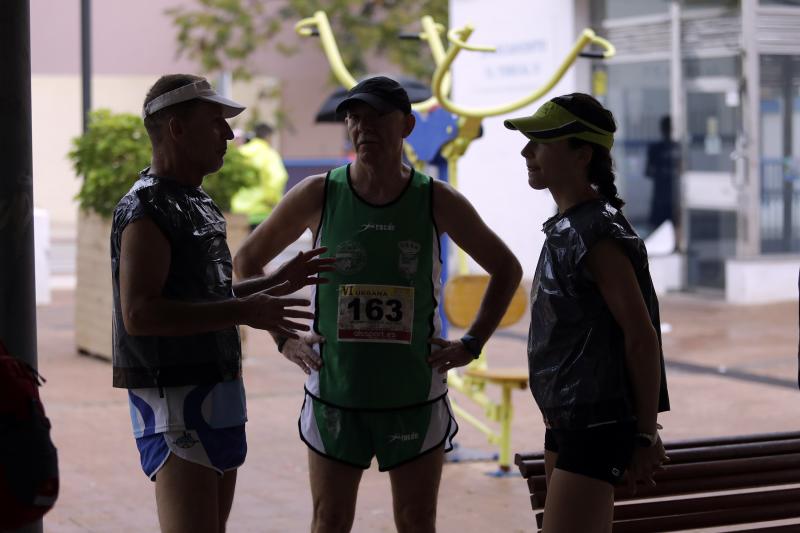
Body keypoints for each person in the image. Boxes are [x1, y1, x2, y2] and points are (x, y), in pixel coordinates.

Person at [234, 76, 522, 533]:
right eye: (354, 117)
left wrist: (472, 344)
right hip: (336, 393)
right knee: (329, 519)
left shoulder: (435, 199)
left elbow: (506, 268)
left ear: (406, 125)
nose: (362, 126)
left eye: (376, 117)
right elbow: (247, 260)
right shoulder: (319, 194)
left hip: (413, 394)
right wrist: (282, 337)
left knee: (415, 520)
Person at [111, 73, 333, 533]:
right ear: (175, 128)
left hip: (219, 393)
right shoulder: (146, 207)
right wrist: (245, 311)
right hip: (175, 399)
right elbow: (140, 314)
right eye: (216, 122)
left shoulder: (197, 201)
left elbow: (205, 298)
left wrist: (271, 285)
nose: (230, 135)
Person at [504, 93, 671, 532]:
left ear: (582, 154)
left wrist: (644, 432)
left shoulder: (596, 232)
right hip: (569, 420)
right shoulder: (571, 225)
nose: (527, 152)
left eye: (540, 143)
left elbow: (640, 335)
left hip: (596, 423)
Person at [230, 122, 290, 227]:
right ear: (268, 137)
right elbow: (277, 178)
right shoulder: (269, 154)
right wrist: (271, 200)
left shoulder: (240, 153)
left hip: (238, 211)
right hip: (260, 213)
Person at [645, 115, 681, 231]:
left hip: (669, 194)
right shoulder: (659, 148)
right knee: (661, 223)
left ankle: (676, 245)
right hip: (663, 194)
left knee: (673, 222)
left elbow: (648, 171)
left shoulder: (676, 147)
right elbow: (648, 171)